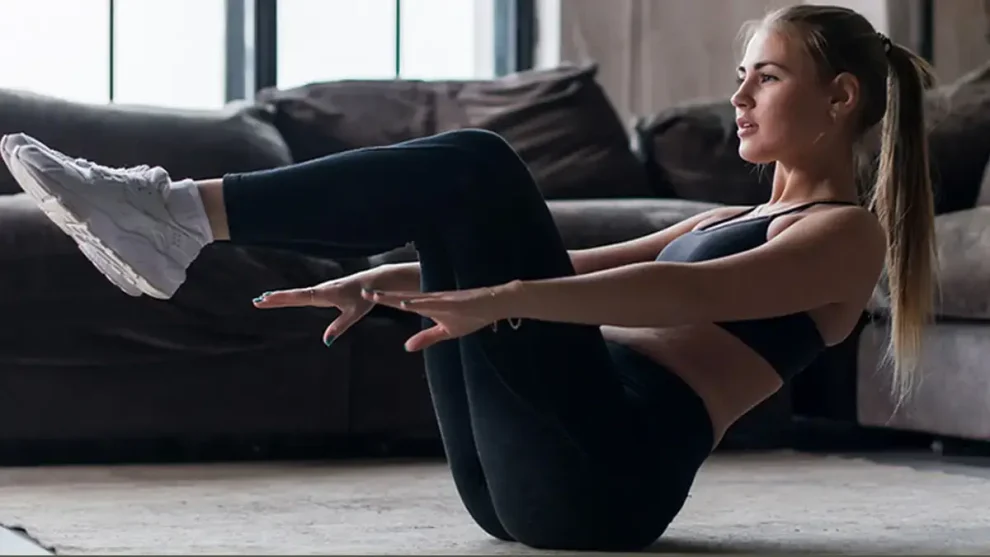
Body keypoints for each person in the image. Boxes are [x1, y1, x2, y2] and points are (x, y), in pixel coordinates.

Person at [0, 3, 936, 551]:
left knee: (481, 164)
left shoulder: (846, 235)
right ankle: (178, 220)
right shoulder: (724, 218)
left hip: (608, 479)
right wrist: (384, 279)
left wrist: (507, 300)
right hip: (524, 481)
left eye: (765, 77)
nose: (736, 96)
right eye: (741, 74)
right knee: (461, 188)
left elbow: (688, 295)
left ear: (840, 97)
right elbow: (562, 267)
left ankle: (175, 213)